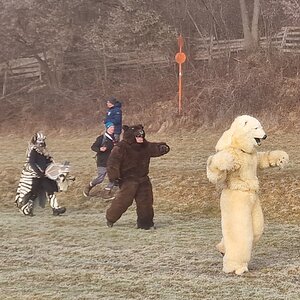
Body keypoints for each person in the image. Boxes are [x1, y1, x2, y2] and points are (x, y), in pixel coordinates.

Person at [105, 124, 170, 229]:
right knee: (123, 202)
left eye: (142, 136)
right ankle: (110, 218)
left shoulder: (145, 145)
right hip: (127, 180)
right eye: (138, 136)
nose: (141, 138)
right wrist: (114, 177)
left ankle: (145, 224)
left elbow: (153, 147)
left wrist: (162, 148)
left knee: (146, 203)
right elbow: (113, 162)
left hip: (143, 179)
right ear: (131, 136)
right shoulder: (121, 147)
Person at [15, 132, 67, 216]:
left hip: (44, 175)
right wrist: (38, 172)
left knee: (50, 190)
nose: (41, 143)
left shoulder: (44, 151)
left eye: (42, 141)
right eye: (39, 140)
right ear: (36, 141)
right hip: (34, 176)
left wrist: (57, 169)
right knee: (33, 193)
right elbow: (32, 163)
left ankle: (56, 208)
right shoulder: (33, 151)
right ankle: (27, 209)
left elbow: (49, 162)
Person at [83, 122, 116, 199]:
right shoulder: (101, 138)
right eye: (111, 127)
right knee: (100, 178)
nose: (112, 129)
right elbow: (93, 147)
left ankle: (106, 192)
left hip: (111, 161)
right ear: (107, 128)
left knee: (114, 176)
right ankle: (88, 187)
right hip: (102, 161)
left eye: (113, 127)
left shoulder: (113, 138)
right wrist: (100, 149)